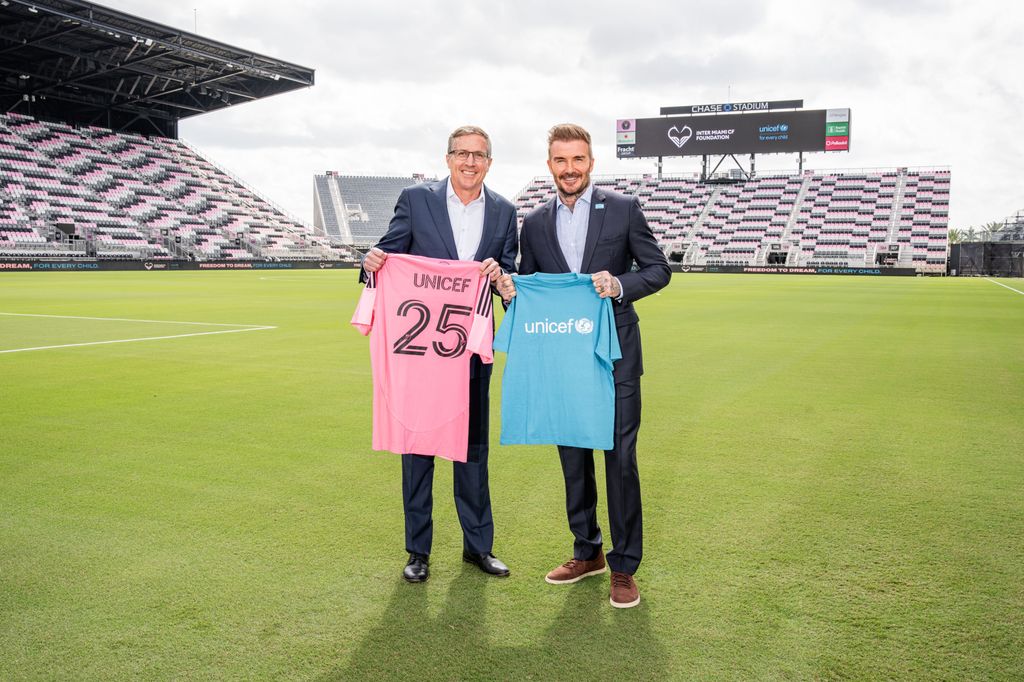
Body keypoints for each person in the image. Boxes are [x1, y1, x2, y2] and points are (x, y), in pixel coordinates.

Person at [497, 123, 670, 608]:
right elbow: (531, 293)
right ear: (549, 164)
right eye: (559, 160)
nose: (569, 169)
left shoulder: (622, 208)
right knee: (573, 459)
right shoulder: (533, 222)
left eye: (577, 160)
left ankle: (623, 566)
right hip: (561, 359)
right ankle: (586, 550)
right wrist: (511, 293)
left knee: (619, 460)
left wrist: (618, 285)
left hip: (613, 356)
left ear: (590, 162)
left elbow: (658, 270)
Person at [362, 125, 518, 583]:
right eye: (462, 153)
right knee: (418, 449)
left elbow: (511, 278)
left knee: (473, 452)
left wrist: (503, 279)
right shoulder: (416, 200)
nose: (470, 162)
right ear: (448, 158)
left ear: (490, 162)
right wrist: (368, 264)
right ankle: (418, 551)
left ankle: (478, 547)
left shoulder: (505, 212)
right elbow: (387, 257)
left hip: (470, 352)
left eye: (480, 155)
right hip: (422, 357)